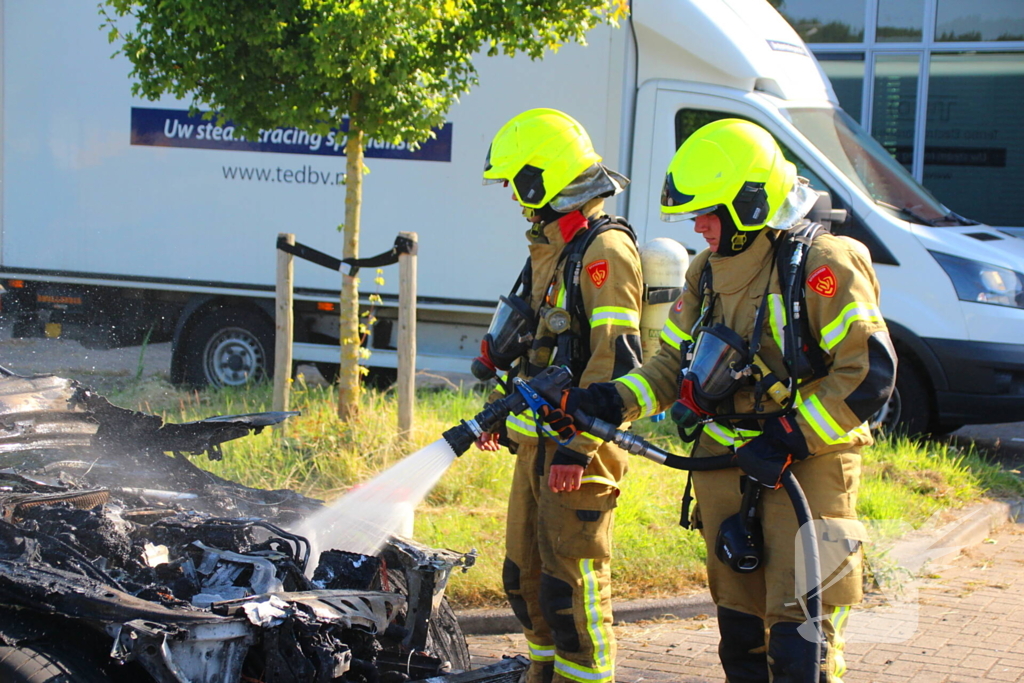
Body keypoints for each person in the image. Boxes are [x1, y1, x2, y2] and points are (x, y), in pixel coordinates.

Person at [541, 119, 896, 682]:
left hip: (807, 469)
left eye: (709, 212)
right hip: (726, 469)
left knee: (801, 643)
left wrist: (788, 438)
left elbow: (869, 373)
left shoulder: (822, 265)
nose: (698, 225)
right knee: (741, 642)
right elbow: (669, 365)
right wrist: (612, 400)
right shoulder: (705, 272)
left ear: (752, 204)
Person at [475, 108, 644, 683]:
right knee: (525, 582)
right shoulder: (550, 246)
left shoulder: (604, 251)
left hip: (580, 449)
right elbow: (539, 340)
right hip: (538, 441)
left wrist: (579, 448)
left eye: (515, 184)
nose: (514, 199)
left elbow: (614, 359)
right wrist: (502, 408)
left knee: (571, 592)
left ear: (540, 179)